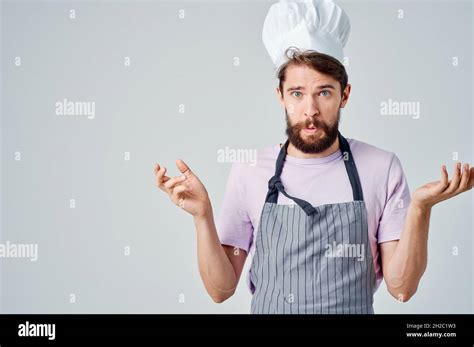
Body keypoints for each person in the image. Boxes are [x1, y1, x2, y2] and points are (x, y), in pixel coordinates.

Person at [154, 0, 473, 314]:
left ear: (344, 95)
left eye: (324, 92)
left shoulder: (381, 167)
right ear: (280, 95)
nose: (310, 110)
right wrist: (202, 216)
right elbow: (220, 290)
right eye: (297, 93)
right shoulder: (249, 171)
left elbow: (402, 288)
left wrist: (420, 208)